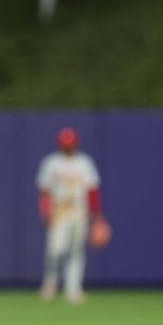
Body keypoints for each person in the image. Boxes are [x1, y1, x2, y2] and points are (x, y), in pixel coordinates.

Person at [36, 127, 106, 304]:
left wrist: (97, 216)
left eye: (70, 142)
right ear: (60, 144)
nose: (68, 146)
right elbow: (45, 191)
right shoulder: (51, 162)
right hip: (59, 210)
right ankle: (49, 285)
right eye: (65, 143)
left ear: (75, 143)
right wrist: (45, 211)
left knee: (76, 252)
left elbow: (92, 191)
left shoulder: (84, 162)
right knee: (55, 250)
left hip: (78, 211)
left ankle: (73, 289)